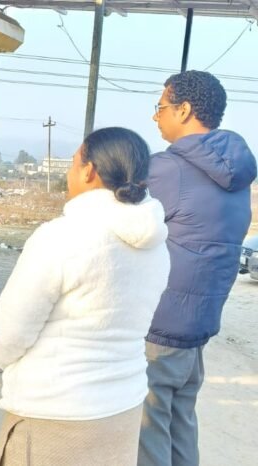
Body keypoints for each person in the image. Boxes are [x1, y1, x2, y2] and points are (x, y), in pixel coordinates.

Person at [0, 127, 171, 465]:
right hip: (123, 409)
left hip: (55, 413)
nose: (70, 174)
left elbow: (6, 338)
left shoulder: (60, 237)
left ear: (89, 171)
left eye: (74, 164)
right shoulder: (156, 246)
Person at [139, 71, 257, 466]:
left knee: (148, 429)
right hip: (198, 323)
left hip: (159, 324)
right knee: (180, 423)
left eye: (160, 107)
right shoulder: (237, 173)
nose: (155, 116)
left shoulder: (167, 169)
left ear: (184, 109)